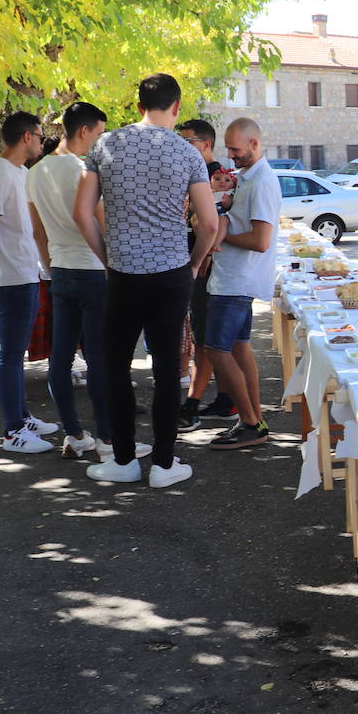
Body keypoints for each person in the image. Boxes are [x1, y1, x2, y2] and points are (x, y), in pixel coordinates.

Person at [75, 73, 218, 488]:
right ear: (176, 107)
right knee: (169, 365)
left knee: (116, 364)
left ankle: (122, 460)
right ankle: (164, 464)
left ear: (138, 105)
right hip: (172, 273)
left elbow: (82, 214)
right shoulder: (188, 154)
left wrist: (107, 258)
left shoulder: (105, 145)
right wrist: (192, 265)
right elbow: (208, 224)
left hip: (124, 273)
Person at [28, 101, 143, 461]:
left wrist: (51, 265)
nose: (100, 141)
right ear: (84, 131)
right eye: (98, 133)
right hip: (94, 271)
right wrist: (113, 265)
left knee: (60, 359)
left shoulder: (35, 171)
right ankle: (108, 440)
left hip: (60, 269)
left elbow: (37, 230)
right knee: (99, 358)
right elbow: (99, 222)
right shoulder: (83, 170)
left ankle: (74, 435)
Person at [0, 111, 57, 452]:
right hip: (7, 278)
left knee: (14, 354)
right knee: (8, 355)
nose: (41, 141)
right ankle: (13, 431)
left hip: (25, 272)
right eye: (39, 135)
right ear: (26, 136)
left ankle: (22, 416)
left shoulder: (19, 172)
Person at [203, 117, 280, 449]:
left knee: (216, 350)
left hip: (236, 282)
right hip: (233, 279)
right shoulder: (249, 177)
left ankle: (251, 423)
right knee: (238, 349)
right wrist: (228, 210)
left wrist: (222, 233)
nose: (231, 155)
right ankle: (253, 419)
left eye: (236, 149)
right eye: (229, 149)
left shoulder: (262, 181)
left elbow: (261, 240)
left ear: (254, 144)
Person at [174, 118, 237, 430]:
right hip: (196, 267)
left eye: (189, 143)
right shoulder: (196, 175)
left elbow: (214, 225)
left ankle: (192, 404)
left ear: (206, 144)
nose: (182, 148)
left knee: (207, 339)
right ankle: (226, 400)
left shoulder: (219, 178)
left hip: (207, 270)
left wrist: (204, 257)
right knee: (211, 337)